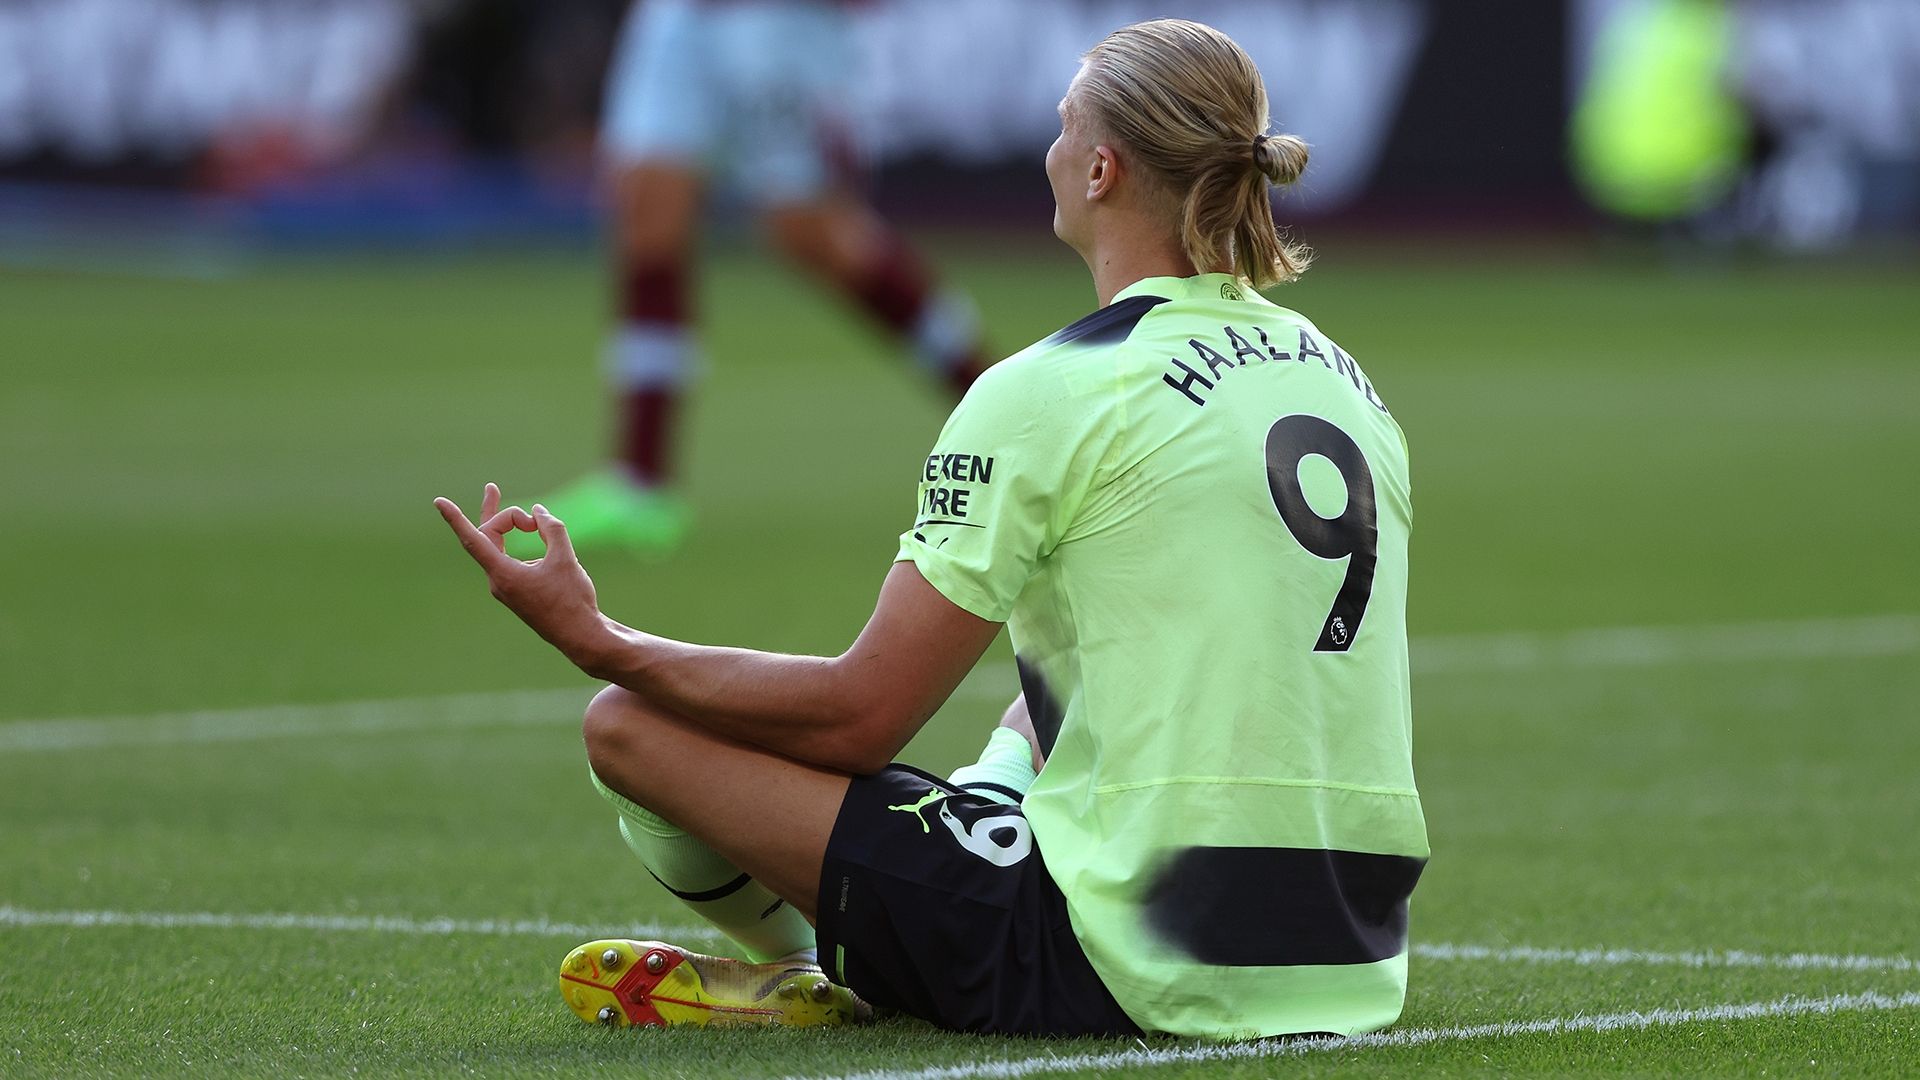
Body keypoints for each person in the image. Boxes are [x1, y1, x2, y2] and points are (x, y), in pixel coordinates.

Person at [437, 18, 1428, 1038]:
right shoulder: (1343, 378)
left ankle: (806, 971)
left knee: (629, 726)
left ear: (1098, 169)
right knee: (1048, 695)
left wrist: (596, 638)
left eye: (1060, 128)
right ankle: (946, 865)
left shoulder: (1048, 388)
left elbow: (858, 717)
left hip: (1128, 962)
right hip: (1351, 962)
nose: (1046, 151)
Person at [509, 0, 989, 558]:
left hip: (783, 23)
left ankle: (1006, 403)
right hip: (684, 16)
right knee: (646, 206)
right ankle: (641, 485)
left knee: (813, 233)